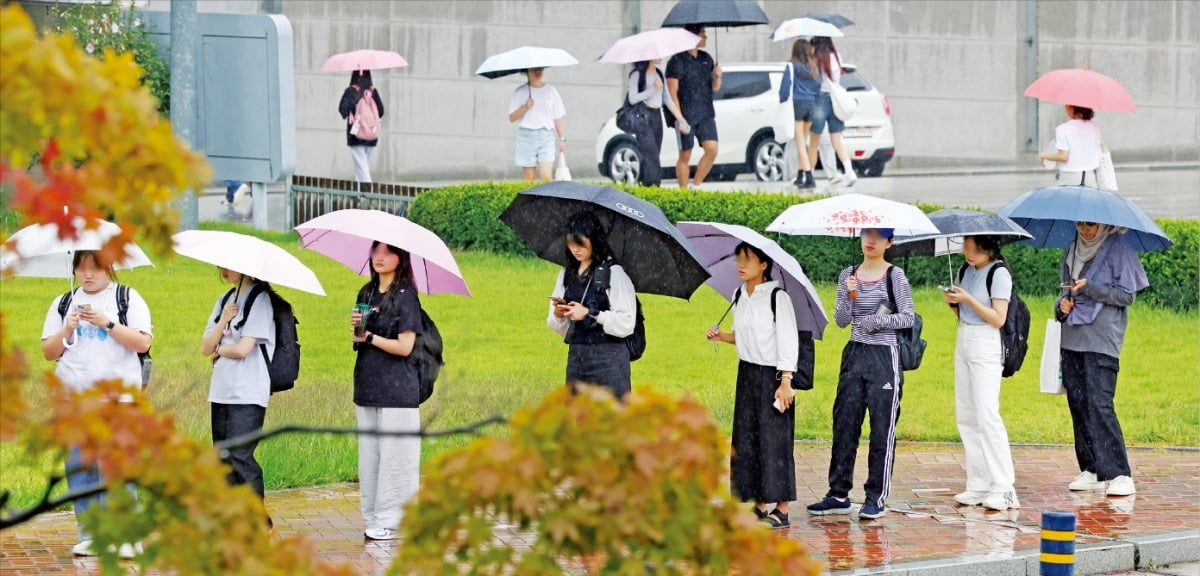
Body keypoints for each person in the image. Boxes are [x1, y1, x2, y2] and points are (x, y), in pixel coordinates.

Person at [41, 251, 152, 558]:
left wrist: (108, 323)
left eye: (95, 268)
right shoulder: (63, 303)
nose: (88, 275)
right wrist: (67, 328)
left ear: (109, 268)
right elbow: (49, 352)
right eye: (81, 268)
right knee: (81, 468)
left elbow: (143, 343)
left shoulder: (127, 298)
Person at [807, 228, 913, 520]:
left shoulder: (895, 276)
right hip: (854, 353)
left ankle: (875, 497)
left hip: (884, 356)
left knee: (881, 429)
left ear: (889, 242)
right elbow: (842, 320)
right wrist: (850, 294)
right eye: (867, 234)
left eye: (879, 236)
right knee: (844, 424)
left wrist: (874, 320)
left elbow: (907, 316)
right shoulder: (848, 274)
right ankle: (838, 493)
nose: (871, 240)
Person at [705, 243, 799, 529]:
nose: (740, 264)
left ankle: (781, 509)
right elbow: (746, 336)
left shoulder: (777, 298)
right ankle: (758, 503)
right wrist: (722, 337)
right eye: (738, 258)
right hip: (746, 373)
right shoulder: (738, 295)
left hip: (773, 375)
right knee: (748, 440)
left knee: (775, 440)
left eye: (748, 259)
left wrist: (786, 381)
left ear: (763, 265)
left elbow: (787, 339)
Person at [1056, 221, 1148, 497]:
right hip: (1071, 335)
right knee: (1078, 402)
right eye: (1080, 224)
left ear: (1104, 223)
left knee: (1100, 402)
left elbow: (1126, 295)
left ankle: (1120, 473)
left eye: (1091, 224)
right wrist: (1062, 305)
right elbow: (1064, 290)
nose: (1085, 230)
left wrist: (1091, 288)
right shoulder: (1072, 250)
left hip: (1102, 338)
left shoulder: (1119, 248)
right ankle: (1092, 468)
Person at [349, 241, 424, 540]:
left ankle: (394, 521)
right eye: (375, 251)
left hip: (398, 390)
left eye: (388, 252)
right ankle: (373, 516)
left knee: (396, 458)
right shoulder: (366, 292)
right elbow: (359, 341)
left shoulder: (407, 297)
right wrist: (357, 330)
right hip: (368, 385)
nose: (379, 257)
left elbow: (406, 347)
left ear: (401, 258)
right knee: (370, 457)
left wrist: (369, 338)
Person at [942, 236, 1019, 511]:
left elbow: (998, 318)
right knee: (967, 414)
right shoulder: (965, 271)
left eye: (975, 248)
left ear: (989, 247)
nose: (969, 253)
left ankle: (1004, 488)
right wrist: (955, 303)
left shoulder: (999, 273)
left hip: (986, 343)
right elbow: (965, 313)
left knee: (987, 414)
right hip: (964, 338)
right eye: (966, 247)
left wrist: (968, 299)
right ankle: (978, 483)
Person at [200, 268, 275, 505]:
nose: (223, 270)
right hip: (221, 391)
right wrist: (224, 318)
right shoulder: (224, 300)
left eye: (229, 265)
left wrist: (219, 350)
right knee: (224, 459)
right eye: (221, 265)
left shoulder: (260, 299)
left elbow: (243, 349)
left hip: (248, 391)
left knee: (241, 458)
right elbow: (204, 348)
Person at [547, 212, 636, 398]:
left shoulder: (614, 274)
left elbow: (627, 323)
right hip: (578, 359)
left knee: (611, 421)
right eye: (570, 244)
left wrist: (591, 313)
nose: (575, 249)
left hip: (609, 361)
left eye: (580, 244)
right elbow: (559, 327)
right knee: (577, 420)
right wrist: (558, 314)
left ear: (594, 241)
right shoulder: (566, 274)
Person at [666, 24, 722, 189]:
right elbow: (672, 94)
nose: (705, 37)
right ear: (692, 36)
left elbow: (715, 87)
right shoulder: (676, 62)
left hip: (705, 111)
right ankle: (683, 192)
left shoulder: (706, 58)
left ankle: (695, 185)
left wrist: (717, 77)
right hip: (685, 114)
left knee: (712, 149)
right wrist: (679, 118)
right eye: (702, 33)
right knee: (685, 154)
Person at [626, 59, 689, 187]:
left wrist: (681, 119)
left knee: (654, 156)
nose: (660, 56)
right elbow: (632, 99)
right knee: (651, 155)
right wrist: (652, 90)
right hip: (643, 118)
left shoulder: (659, 73)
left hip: (657, 117)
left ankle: (647, 187)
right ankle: (652, 187)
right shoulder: (637, 75)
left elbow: (667, 99)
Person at [806, 36, 857, 187]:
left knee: (814, 142)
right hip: (835, 100)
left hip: (820, 100)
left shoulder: (816, 58)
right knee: (837, 141)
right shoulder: (836, 56)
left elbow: (813, 79)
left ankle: (810, 175)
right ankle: (850, 171)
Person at [507, 67, 567, 182]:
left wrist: (562, 138)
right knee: (529, 179)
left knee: (546, 177)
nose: (538, 72)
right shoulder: (520, 92)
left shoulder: (551, 91)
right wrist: (525, 107)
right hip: (526, 136)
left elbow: (557, 117)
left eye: (541, 69)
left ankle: (546, 200)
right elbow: (511, 117)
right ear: (527, 72)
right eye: (535, 70)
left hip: (546, 136)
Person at [778, 38, 821, 190]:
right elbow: (818, 85)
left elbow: (784, 89)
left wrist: (782, 101)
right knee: (803, 141)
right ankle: (800, 175)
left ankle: (809, 176)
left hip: (797, 105)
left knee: (800, 143)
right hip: (811, 105)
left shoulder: (792, 66)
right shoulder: (813, 67)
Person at [338, 69, 385, 183]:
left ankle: (368, 193)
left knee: (362, 168)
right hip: (371, 135)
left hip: (356, 135)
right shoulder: (373, 92)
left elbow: (342, 110)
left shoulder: (350, 91)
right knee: (363, 167)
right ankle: (360, 195)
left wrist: (351, 111)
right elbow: (381, 111)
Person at [1039, 105, 1101, 187]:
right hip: (1090, 177)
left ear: (1072, 108)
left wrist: (1044, 155)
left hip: (1070, 177)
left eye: (1066, 106)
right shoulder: (1093, 127)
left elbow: (1063, 156)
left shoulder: (1062, 129)